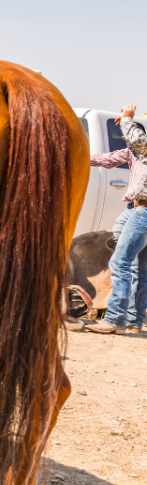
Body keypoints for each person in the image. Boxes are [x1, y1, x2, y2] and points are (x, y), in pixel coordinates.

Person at [87, 103, 147, 335]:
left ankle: (115, 319)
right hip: (134, 209)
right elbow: (107, 158)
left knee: (120, 262)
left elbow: (138, 141)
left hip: (143, 211)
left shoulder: (141, 145)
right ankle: (133, 320)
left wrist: (127, 119)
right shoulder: (137, 151)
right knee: (139, 267)